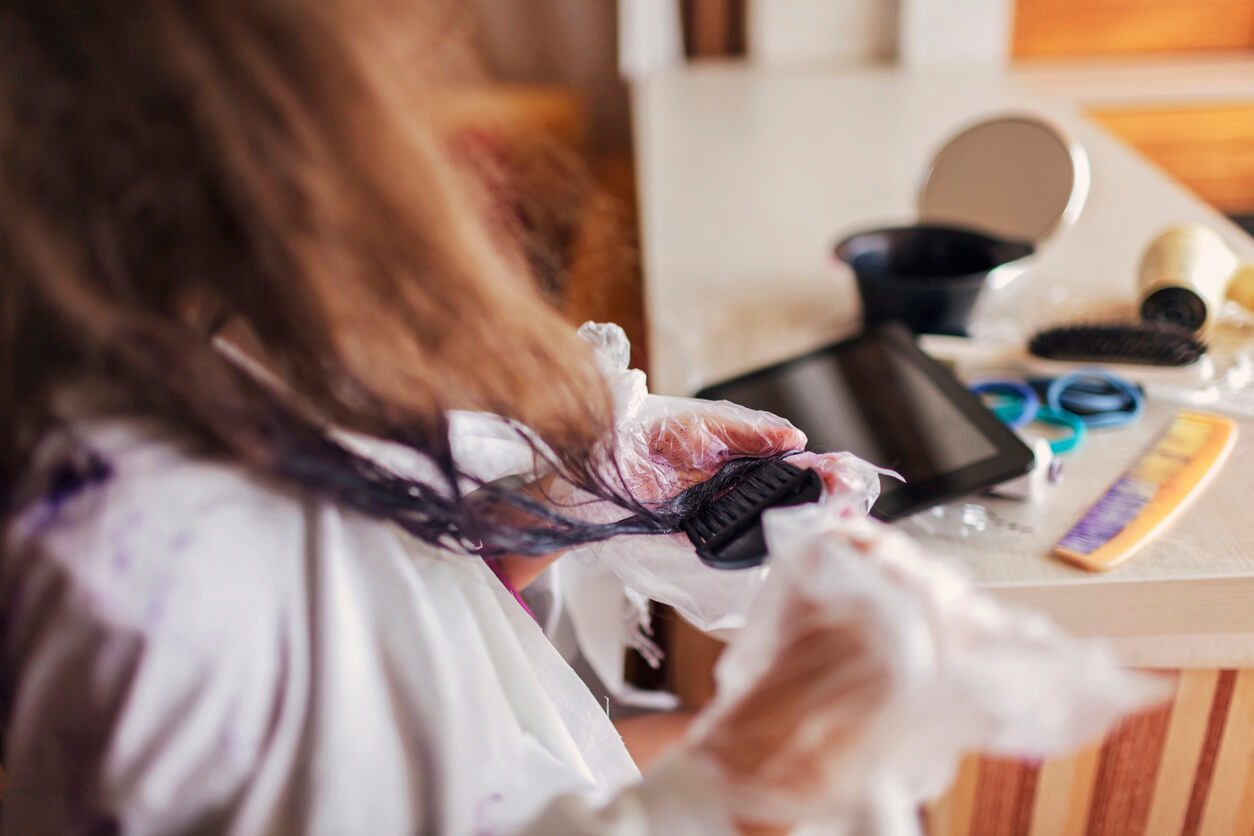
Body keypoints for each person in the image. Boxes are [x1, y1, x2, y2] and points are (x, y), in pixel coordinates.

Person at [0, 1, 920, 833]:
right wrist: (744, 778)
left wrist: (556, 507)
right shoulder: (144, 588)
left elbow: (397, 616)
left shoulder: (212, 347)